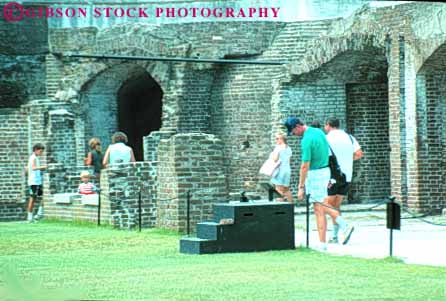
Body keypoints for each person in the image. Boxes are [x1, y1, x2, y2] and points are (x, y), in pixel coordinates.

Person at [284, 116, 354, 251]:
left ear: (298, 127)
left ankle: (344, 225)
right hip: (325, 170)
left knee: (319, 204)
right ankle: (322, 244)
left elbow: (305, 165)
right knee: (319, 209)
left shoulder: (306, 140)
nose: (293, 134)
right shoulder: (319, 132)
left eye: (292, 131)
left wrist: (301, 186)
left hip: (315, 173)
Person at [324, 117, 363, 243]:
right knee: (336, 206)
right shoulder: (349, 137)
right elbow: (358, 154)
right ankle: (334, 236)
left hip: (332, 176)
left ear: (328, 125)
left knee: (325, 205)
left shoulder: (327, 138)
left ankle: (345, 226)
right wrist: (345, 160)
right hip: (347, 175)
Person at [270, 132, 293, 202]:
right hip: (287, 170)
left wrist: (272, 154)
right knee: (286, 189)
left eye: (277, 139)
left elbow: (275, 159)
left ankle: (279, 209)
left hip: (280, 171)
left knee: (278, 189)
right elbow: (289, 160)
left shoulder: (278, 148)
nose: (276, 140)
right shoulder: (289, 148)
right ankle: (290, 207)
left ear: (282, 139)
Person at [27, 143, 47, 222]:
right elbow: (34, 168)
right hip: (33, 182)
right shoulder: (33, 158)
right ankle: (30, 217)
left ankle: (39, 214)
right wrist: (43, 167)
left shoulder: (36, 158)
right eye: (40, 151)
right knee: (32, 199)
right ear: (36, 150)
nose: (41, 153)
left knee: (44, 197)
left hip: (37, 181)